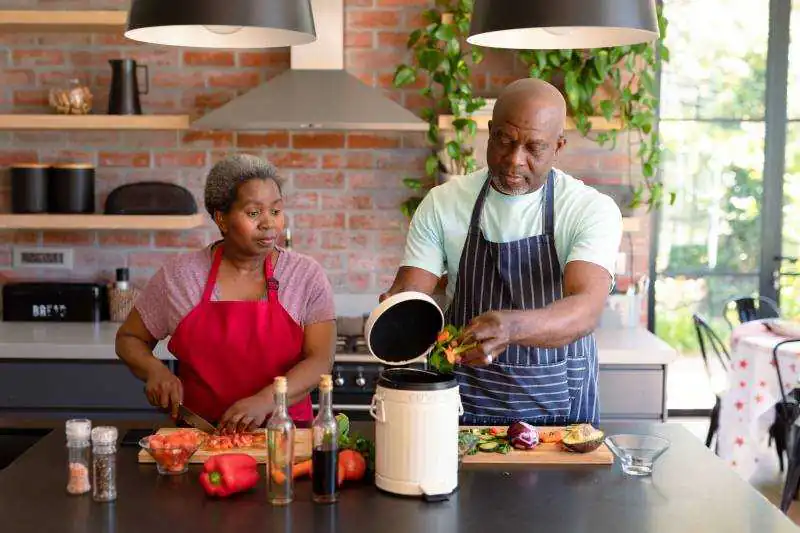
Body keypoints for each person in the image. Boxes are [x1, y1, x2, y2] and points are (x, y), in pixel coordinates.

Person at [382, 78, 622, 427]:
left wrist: (511, 327)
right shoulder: (444, 202)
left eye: (534, 148)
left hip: (558, 408)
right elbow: (412, 290)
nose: (514, 160)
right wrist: (396, 310)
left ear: (558, 146)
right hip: (460, 403)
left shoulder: (588, 208)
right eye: (505, 141)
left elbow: (585, 310)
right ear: (490, 131)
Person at [116, 154, 336, 433]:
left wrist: (265, 402)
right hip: (200, 437)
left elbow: (320, 360)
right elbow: (129, 338)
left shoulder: (305, 276)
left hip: (286, 438)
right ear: (221, 218)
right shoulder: (180, 277)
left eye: (276, 211)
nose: (269, 224)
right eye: (254, 213)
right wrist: (155, 370)